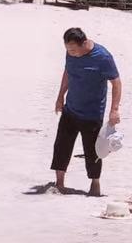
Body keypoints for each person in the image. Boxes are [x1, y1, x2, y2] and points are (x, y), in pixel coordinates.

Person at [51, 27, 121, 196]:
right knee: (61, 145)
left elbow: (116, 83)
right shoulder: (70, 53)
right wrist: (60, 97)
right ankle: (59, 182)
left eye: (73, 50)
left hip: (92, 112)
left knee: (93, 151)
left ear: (84, 44)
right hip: (71, 108)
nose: (71, 53)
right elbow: (68, 72)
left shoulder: (103, 57)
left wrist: (114, 110)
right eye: (68, 49)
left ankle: (95, 184)